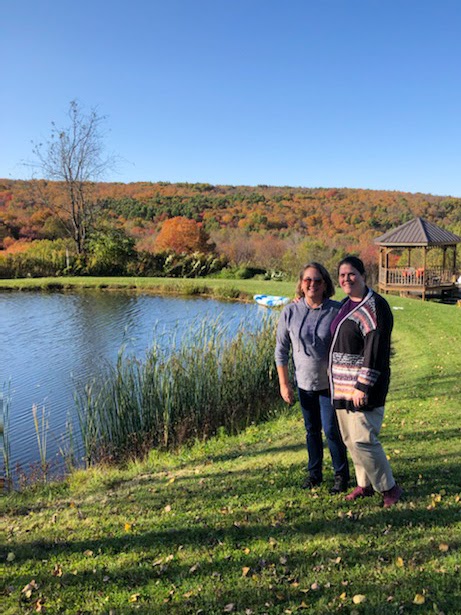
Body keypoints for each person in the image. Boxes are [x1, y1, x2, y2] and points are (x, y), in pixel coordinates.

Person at [329, 256, 403, 507]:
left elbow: (376, 350)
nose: (346, 279)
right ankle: (365, 484)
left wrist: (363, 386)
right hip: (342, 387)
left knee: (364, 439)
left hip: (363, 388)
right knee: (350, 439)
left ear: (363, 276)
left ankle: (389, 488)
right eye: (342, 275)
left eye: (351, 274)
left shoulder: (375, 307)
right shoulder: (345, 305)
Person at [275, 262, 350, 494]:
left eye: (318, 280)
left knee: (331, 430)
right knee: (311, 430)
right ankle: (314, 474)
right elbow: (281, 351)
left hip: (329, 384)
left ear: (325, 285)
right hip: (304, 383)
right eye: (307, 280)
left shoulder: (336, 310)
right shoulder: (290, 311)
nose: (312, 284)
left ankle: (341, 475)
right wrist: (284, 384)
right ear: (301, 284)